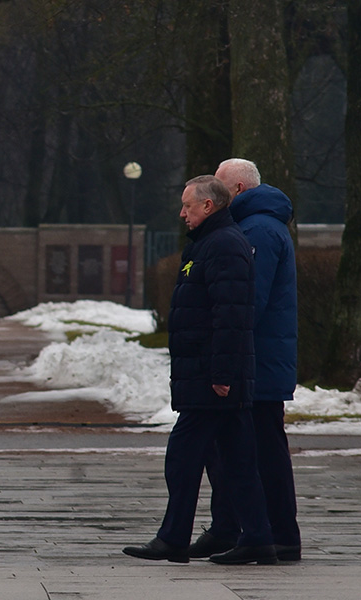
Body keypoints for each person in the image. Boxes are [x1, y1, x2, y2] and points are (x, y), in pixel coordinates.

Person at [123, 175, 276, 565]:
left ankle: (173, 538)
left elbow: (231, 316)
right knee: (238, 463)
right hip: (213, 374)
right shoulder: (211, 243)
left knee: (183, 456)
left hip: (212, 379)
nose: (182, 213)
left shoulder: (223, 245)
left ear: (208, 206)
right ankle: (258, 537)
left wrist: (222, 373)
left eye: (188, 206)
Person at [187, 159, 301, 562]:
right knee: (237, 448)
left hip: (257, 364)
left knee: (259, 450)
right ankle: (236, 529)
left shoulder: (257, 231)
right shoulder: (256, 227)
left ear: (236, 189)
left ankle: (274, 534)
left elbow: (247, 303)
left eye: (217, 189)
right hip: (258, 360)